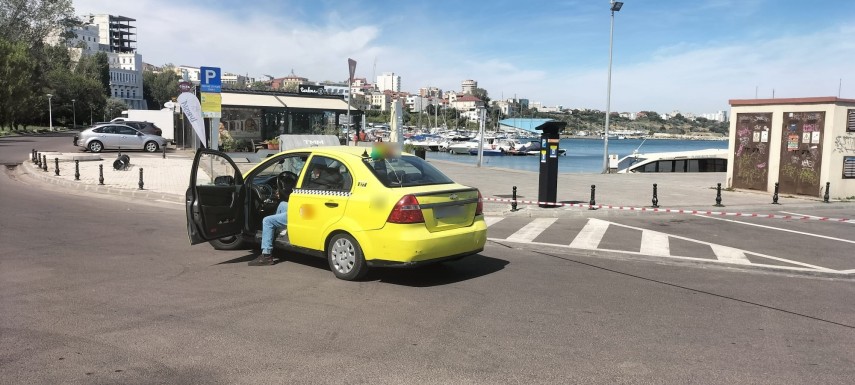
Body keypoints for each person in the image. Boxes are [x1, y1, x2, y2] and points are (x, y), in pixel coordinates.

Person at [248, 200, 288, 266]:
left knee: (267, 221)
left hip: (300, 213)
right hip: (302, 208)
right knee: (282, 204)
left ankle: (266, 256)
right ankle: (278, 230)